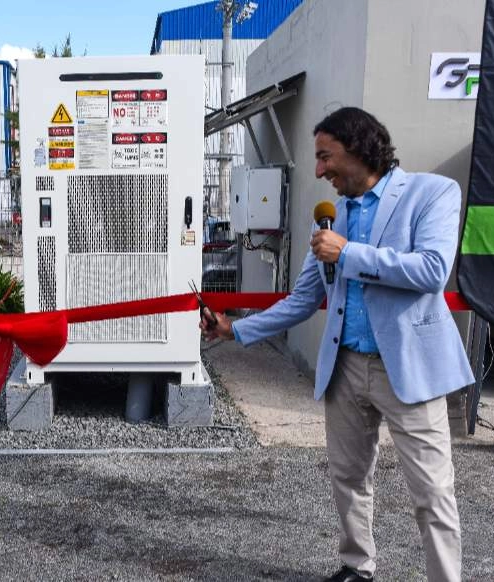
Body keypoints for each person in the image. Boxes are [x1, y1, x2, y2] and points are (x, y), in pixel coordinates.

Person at [201, 107, 473, 582]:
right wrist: (236, 330)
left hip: (407, 368)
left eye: (326, 157)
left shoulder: (432, 193)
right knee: (348, 478)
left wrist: (349, 253)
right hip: (345, 366)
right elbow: (305, 298)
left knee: (431, 491)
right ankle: (357, 566)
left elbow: (431, 270)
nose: (320, 170)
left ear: (360, 148)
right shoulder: (332, 218)